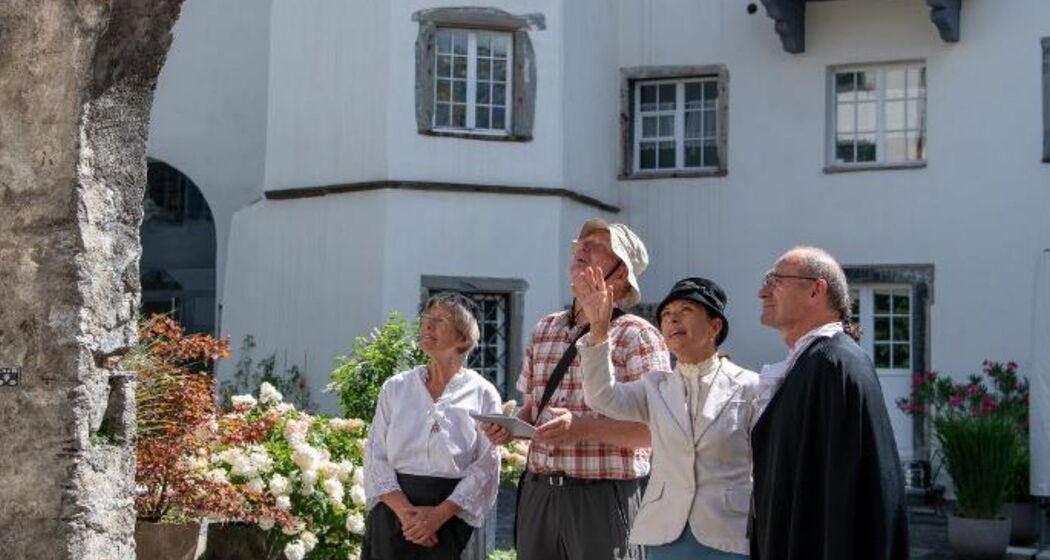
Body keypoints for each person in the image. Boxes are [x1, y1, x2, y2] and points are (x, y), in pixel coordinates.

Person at [481, 219, 671, 560]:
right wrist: (509, 428)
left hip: (601, 498)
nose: (581, 247)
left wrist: (582, 429)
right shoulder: (546, 328)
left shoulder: (638, 335)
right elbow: (532, 409)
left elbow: (655, 433)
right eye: (581, 243)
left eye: (598, 245)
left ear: (619, 274)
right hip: (539, 492)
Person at [574, 272, 757, 559]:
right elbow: (601, 397)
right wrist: (598, 330)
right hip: (665, 531)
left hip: (728, 532)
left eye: (686, 310)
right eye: (667, 313)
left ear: (715, 327)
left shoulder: (751, 386)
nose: (673, 319)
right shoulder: (655, 386)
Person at [750, 246, 909, 560]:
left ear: (816, 290)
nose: (762, 292)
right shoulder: (816, 362)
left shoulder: (831, 365)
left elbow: (840, 497)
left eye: (775, 280)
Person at [362, 292, 502, 560]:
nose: (427, 326)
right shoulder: (396, 388)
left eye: (440, 321)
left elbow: (487, 464)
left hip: (451, 517)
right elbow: (375, 455)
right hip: (393, 513)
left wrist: (438, 516)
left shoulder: (483, 394)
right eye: (426, 319)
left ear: (464, 338)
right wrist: (407, 515)